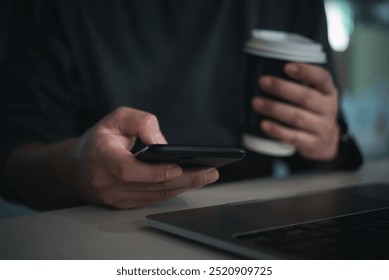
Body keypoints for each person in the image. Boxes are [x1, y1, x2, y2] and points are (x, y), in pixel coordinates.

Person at [0, 0, 363, 210]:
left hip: (250, 219)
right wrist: (76, 167)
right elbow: (13, 159)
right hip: (98, 227)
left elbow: (325, 149)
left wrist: (330, 143)